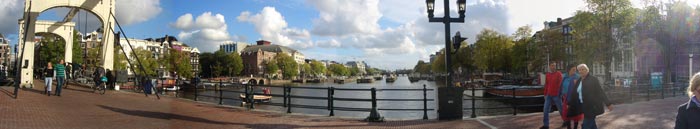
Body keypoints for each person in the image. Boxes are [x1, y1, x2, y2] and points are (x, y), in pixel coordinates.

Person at [576, 64, 612, 129]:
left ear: (587, 70)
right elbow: (575, 93)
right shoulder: (579, 80)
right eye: (579, 70)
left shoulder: (593, 79)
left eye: (583, 69)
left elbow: (600, 91)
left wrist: (608, 103)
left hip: (591, 106)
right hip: (583, 106)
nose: (581, 71)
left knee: (586, 125)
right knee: (591, 125)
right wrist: (570, 103)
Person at [541, 62, 564, 129]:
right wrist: (545, 94)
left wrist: (560, 94)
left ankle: (566, 121)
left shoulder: (559, 74)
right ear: (549, 66)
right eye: (552, 65)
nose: (553, 67)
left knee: (561, 109)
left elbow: (561, 84)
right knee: (545, 110)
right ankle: (546, 125)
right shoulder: (547, 75)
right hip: (548, 95)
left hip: (556, 95)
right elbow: (546, 85)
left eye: (554, 65)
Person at [562, 64, 583, 129]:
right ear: (569, 70)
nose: (575, 71)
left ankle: (575, 127)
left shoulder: (577, 77)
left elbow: (581, 88)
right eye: (573, 70)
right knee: (567, 114)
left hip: (575, 98)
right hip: (566, 98)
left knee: (576, 115)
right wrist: (561, 94)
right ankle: (568, 127)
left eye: (575, 70)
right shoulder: (564, 77)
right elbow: (561, 86)